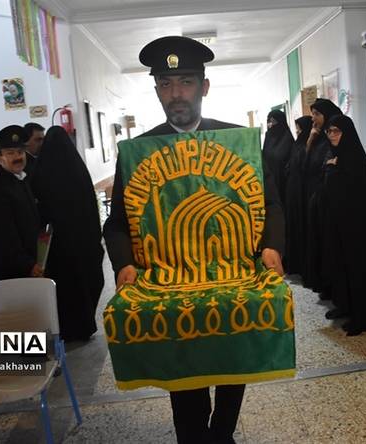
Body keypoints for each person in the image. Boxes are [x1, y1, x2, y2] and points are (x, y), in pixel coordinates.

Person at [103, 36, 285, 444]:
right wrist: (124, 263)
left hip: (232, 281)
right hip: (170, 286)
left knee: (233, 359)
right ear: (156, 91)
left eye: (185, 82)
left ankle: (222, 433)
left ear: (204, 86)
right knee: (183, 367)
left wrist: (272, 246)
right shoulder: (138, 151)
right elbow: (117, 223)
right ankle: (192, 436)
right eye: (166, 84)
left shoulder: (238, 142)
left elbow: (270, 203)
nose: (176, 93)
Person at [31, 126, 104, 342]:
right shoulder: (78, 169)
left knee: (66, 288)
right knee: (86, 282)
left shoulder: (41, 172)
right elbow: (90, 205)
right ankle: (85, 325)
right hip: (84, 239)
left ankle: (68, 329)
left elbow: (39, 211)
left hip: (58, 246)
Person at [318, 115, 366, 336]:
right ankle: (346, 306)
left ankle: (364, 317)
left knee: (358, 269)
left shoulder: (355, 158)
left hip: (355, 225)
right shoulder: (334, 155)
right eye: (329, 131)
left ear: (346, 133)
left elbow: (351, 190)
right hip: (338, 222)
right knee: (341, 266)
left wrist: (335, 167)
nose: (332, 135)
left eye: (336, 131)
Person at [0, 125, 44, 281]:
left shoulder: (22, 180)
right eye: (10, 153)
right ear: (0, 157)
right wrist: (27, 264)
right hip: (15, 269)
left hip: (32, 262)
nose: (17, 157)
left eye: (20, 152)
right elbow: (3, 235)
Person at [302, 98, 342, 292]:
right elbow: (305, 163)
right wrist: (311, 138)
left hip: (328, 197)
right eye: (312, 114)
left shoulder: (334, 138)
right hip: (315, 194)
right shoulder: (318, 137)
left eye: (317, 114)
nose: (313, 119)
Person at [284, 116, 312, 276]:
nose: (298, 133)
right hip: (293, 191)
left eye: (300, 130)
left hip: (303, 192)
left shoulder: (309, 145)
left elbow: (303, 164)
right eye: (297, 131)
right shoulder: (297, 144)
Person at [262, 109, 294, 205]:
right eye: (269, 121)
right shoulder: (268, 136)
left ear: (281, 122)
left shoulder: (287, 138)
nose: (270, 125)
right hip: (269, 181)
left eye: (273, 121)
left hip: (283, 181)